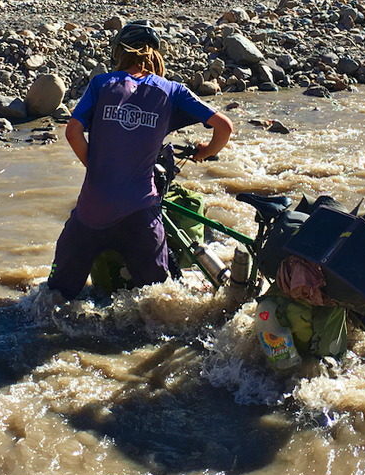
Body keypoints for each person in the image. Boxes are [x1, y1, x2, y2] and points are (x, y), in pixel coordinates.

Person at [45, 22, 234, 300]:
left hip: (92, 211)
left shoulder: (101, 84)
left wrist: (96, 166)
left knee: (55, 296)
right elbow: (224, 126)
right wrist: (205, 150)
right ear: (155, 55)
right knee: (157, 298)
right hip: (140, 212)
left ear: (118, 54)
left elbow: (73, 131)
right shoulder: (172, 90)